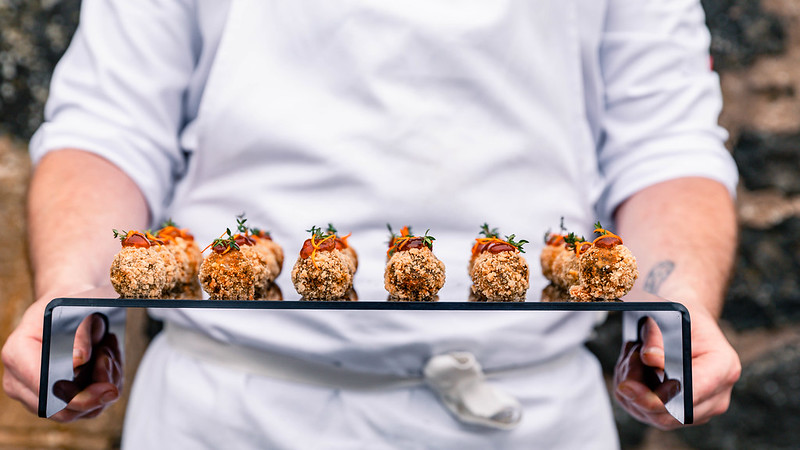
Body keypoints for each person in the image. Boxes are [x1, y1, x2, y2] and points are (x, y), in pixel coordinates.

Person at [2, 0, 741, 448]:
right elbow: (110, 126)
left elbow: (664, 144)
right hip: (229, 414)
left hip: (527, 417)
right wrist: (73, 293)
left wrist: (674, 310)